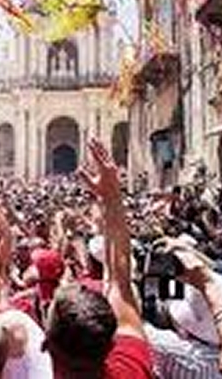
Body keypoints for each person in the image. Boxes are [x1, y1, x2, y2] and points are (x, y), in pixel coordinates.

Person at [44, 139, 154, 378]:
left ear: (47, 348)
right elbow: (120, 282)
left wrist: (110, 197)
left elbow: (118, 281)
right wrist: (112, 195)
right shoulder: (130, 367)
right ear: (111, 344)